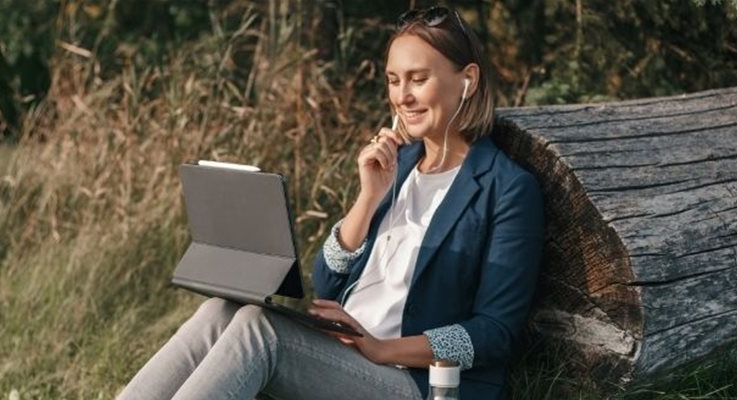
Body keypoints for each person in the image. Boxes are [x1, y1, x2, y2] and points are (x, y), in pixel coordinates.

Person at [117, 6, 543, 400]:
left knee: (259, 330)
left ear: (467, 79)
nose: (402, 96)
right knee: (220, 310)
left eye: (418, 79)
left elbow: (493, 333)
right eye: (394, 81)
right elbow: (327, 283)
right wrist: (368, 196)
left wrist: (380, 348)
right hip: (343, 355)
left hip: (416, 381)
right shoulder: (399, 165)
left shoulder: (505, 189)